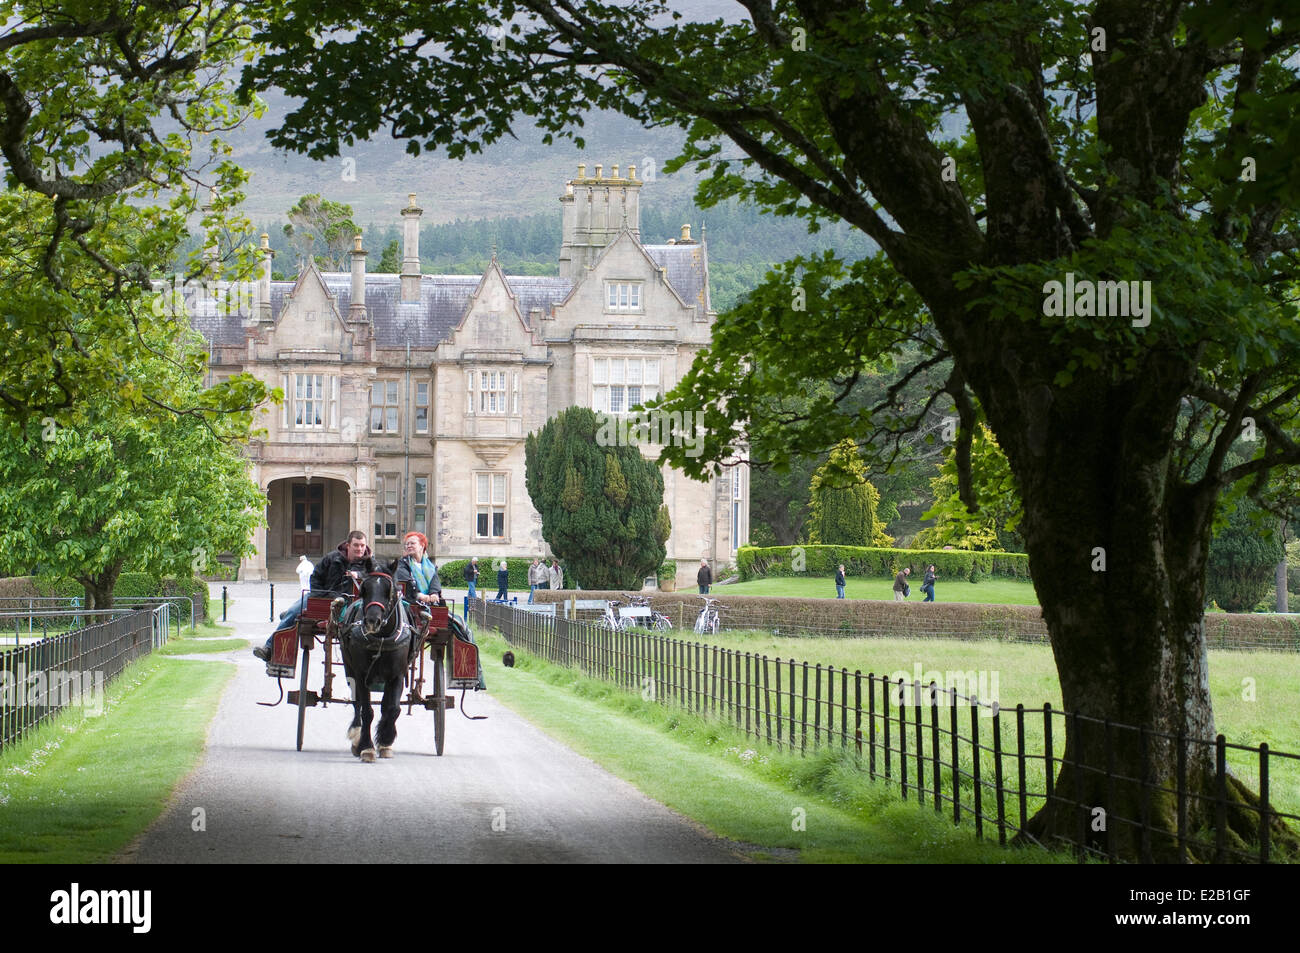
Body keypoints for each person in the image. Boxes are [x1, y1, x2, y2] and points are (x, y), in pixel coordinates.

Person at [255, 531, 375, 659]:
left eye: (362, 545)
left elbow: (377, 581)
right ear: (348, 545)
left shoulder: (370, 564)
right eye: (356, 545)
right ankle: (269, 648)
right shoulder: (332, 558)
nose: (360, 549)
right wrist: (319, 595)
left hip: (352, 606)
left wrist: (360, 576)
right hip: (322, 598)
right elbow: (315, 577)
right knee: (295, 611)